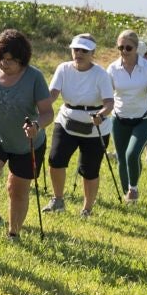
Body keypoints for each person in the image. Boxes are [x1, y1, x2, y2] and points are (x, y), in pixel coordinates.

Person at [0, 28, 52, 240]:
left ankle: (13, 233)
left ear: (22, 60)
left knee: (16, 189)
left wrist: (36, 125)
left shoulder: (34, 77)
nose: (5, 64)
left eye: (12, 60)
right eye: (2, 58)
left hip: (27, 141)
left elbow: (47, 113)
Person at [44, 34, 116, 217]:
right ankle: (58, 200)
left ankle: (87, 209)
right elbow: (52, 94)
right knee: (55, 160)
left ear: (92, 53)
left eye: (84, 50)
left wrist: (100, 114)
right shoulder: (63, 69)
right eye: (76, 49)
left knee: (89, 171)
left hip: (95, 127)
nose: (79, 53)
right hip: (66, 121)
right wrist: (41, 107)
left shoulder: (101, 74)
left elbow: (109, 102)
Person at [107, 29, 147, 201]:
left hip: (145, 118)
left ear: (136, 48)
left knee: (131, 154)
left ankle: (133, 189)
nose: (124, 51)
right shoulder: (112, 68)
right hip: (120, 118)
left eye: (128, 48)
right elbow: (106, 94)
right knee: (122, 157)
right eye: (120, 48)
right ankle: (128, 196)